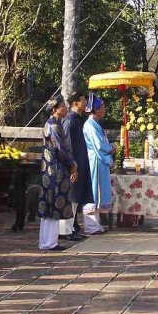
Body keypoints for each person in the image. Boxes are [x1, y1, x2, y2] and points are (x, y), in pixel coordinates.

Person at [38, 97, 78, 252]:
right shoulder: (53, 126)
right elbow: (60, 149)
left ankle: (48, 241)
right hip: (54, 170)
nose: (66, 109)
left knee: (50, 206)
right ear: (55, 109)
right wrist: (72, 165)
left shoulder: (54, 124)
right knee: (52, 205)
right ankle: (49, 242)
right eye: (63, 106)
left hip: (51, 169)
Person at [62, 91, 91, 241]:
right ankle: (67, 230)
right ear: (75, 103)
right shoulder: (69, 120)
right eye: (83, 101)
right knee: (71, 197)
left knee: (75, 198)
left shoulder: (77, 120)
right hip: (72, 165)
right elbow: (68, 145)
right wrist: (72, 165)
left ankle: (72, 227)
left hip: (79, 163)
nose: (85, 103)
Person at [82, 94, 114, 235]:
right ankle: (91, 226)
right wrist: (110, 149)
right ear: (95, 109)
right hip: (94, 161)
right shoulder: (90, 126)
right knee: (93, 191)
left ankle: (96, 224)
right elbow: (99, 145)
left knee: (98, 192)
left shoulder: (95, 124)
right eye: (102, 108)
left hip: (99, 161)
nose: (104, 110)